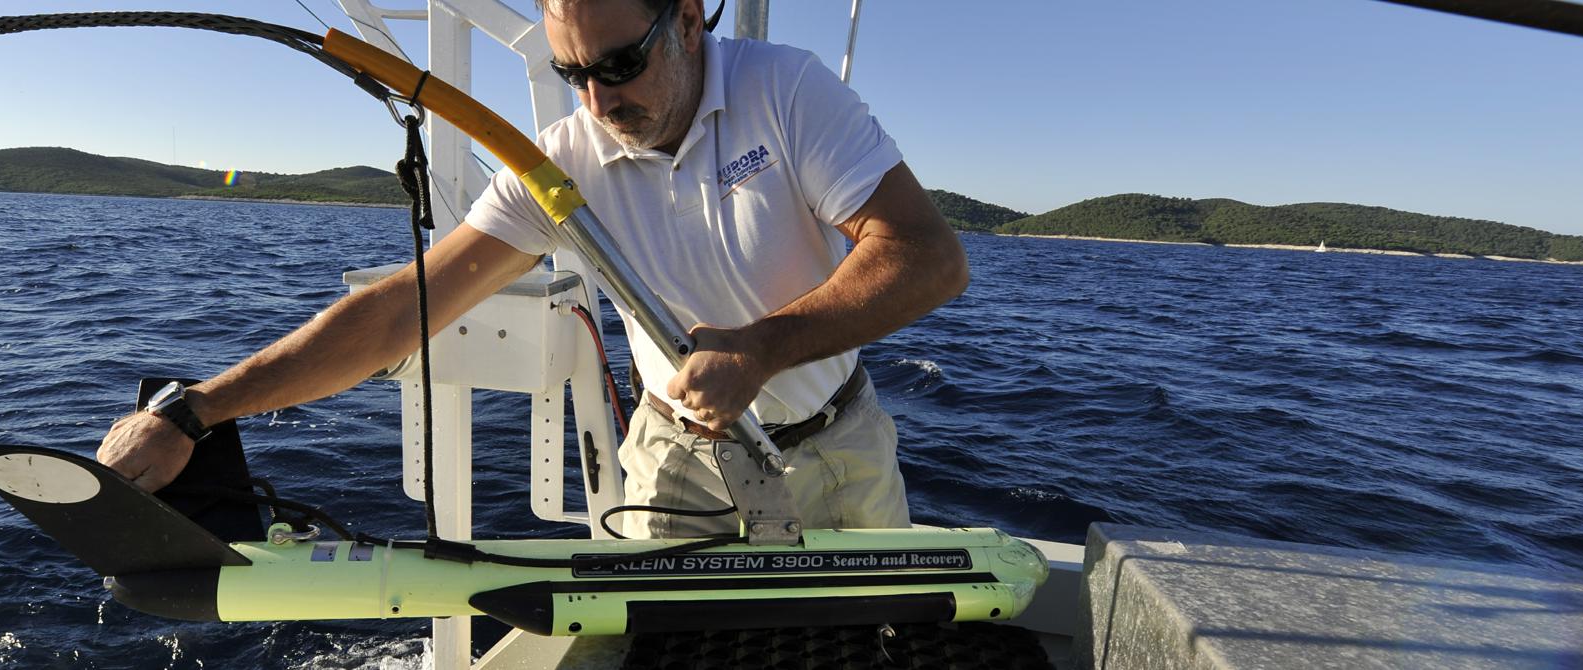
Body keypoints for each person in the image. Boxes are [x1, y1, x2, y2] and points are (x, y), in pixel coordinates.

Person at [98, 0, 967, 539]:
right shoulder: (557, 163)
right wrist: (196, 407)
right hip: (677, 461)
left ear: (691, 18)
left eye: (621, 64)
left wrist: (763, 347)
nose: (599, 101)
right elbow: (406, 309)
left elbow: (927, 257)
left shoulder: (789, 92)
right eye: (572, 72)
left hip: (837, 442)